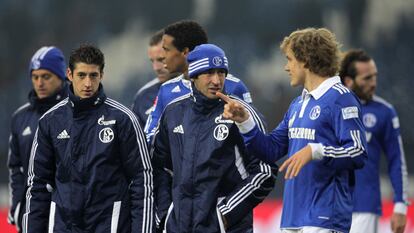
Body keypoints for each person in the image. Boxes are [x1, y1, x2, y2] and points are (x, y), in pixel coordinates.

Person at [217, 28, 367, 233]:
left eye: (289, 59)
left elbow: (358, 152)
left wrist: (316, 151)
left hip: (325, 218)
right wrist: (245, 121)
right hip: (292, 217)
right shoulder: (298, 104)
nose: (286, 67)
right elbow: (271, 149)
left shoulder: (341, 98)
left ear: (305, 59)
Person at [22, 45, 153, 233]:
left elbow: (142, 180)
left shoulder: (123, 119)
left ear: (102, 75)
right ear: (69, 74)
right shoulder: (50, 121)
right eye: (82, 75)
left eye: (93, 75)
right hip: (63, 226)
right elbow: (38, 185)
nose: (88, 84)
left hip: (109, 225)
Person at [152, 43, 277, 233]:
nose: (217, 80)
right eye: (209, 73)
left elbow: (265, 171)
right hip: (179, 227)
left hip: (229, 228)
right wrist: (165, 214)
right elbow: (159, 167)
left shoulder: (240, 112)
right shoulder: (173, 112)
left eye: (221, 73)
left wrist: (225, 215)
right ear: (194, 76)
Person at [144, 20, 253, 143]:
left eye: (166, 49)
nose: (163, 56)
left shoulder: (235, 87)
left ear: (185, 52)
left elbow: (253, 134)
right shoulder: (166, 90)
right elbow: (150, 135)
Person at [340, 49, 409, 233]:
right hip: (329, 206)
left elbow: (397, 161)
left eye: (374, 77)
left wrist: (400, 205)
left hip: (364, 207)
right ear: (348, 81)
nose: (373, 83)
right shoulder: (330, 108)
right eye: (367, 78)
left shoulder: (384, 112)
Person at [7, 46, 68, 233]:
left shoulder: (76, 113)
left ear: (62, 76)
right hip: (33, 214)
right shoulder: (20, 117)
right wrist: (18, 204)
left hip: (69, 216)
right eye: (35, 77)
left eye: (46, 76)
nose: (40, 82)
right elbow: (15, 168)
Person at [132, 29, 172, 128]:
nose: (156, 68)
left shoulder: (201, 89)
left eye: (161, 60)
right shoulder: (143, 96)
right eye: (152, 61)